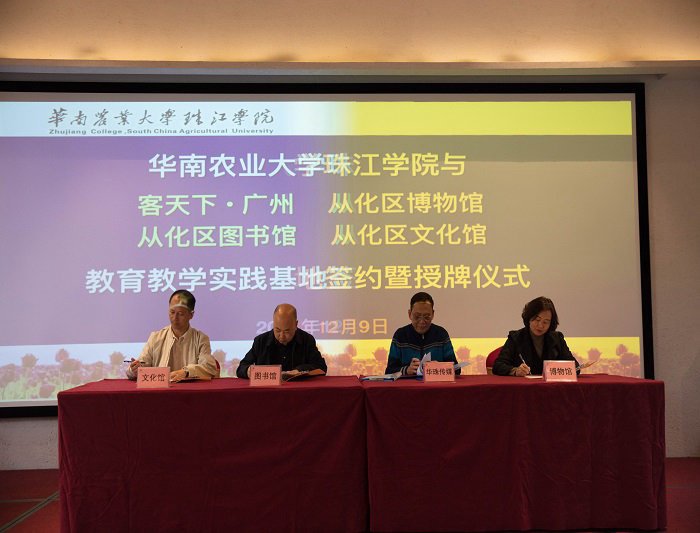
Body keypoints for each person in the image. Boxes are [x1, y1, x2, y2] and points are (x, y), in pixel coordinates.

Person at [126, 290, 218, 381]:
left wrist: (186, 372)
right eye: (172, 312)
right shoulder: (156, 337)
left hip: (190, 389)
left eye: (180, 314)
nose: (175, 318)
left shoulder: (201, 339)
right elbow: (140, 366)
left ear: (191, 315)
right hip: (161, 389)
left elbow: (209, 367)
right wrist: (134, 369)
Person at [493, 296, 578, 376]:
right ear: (529, 318)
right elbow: (498, 365)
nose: (540, 325)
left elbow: (575, 367)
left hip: (551, 385)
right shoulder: (516, 338)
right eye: (537, 320)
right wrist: (515, 371)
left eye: (546, 322)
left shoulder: (557, 339)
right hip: (524, 385)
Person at [236, 303, 327, 378]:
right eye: (277, 330)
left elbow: (321, 367)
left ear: (296, 325)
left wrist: (299, 371)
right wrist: (248, 371)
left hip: (297, 391)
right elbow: (241, 368)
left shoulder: (307, 340)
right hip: (268, 391)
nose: (282, 336)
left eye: (286, 331)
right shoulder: (261, 341)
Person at [384, 292, 460, 375]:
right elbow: (389, 371)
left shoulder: (441, 334)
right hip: (409, 383)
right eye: (417, 316)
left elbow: (457, 370)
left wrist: (439, 366)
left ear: (433, 314)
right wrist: (407, 370)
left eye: (427, 317)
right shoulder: (400, 335)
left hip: (435, 383)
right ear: (409, 314)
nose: (422, 321)